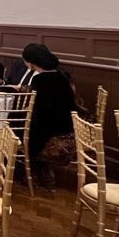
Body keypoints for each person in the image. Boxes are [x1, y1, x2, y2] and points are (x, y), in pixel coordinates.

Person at [20, 43, 77, 189]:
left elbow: (38, 110)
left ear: (31, 62)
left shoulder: (40, 80)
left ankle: (26, 171)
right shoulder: (61, 75)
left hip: (50, 127)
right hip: (67, 123)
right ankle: (39, 171)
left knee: (12, 125)